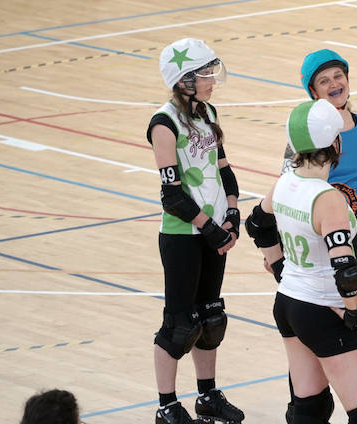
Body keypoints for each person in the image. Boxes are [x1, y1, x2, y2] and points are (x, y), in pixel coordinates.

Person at [244, 98, 357, 424]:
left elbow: (256, 225)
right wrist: (355, 313)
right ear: (334, 143)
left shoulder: (283, 184)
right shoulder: (327, 198)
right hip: (324, 308)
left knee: (309, 409)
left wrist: (281, 268)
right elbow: (347, 272)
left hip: (289, 304)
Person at [281, 48, 357, 385]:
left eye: (339, 76)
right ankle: (308, 399)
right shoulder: (304, 134)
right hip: (322, 230)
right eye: (325, 80)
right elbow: (289, 183)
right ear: (313, 91)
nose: (335, 83)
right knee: (318, 315)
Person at [149, 38, 245, 424]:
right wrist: (209, 228)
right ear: (184, 80)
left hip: (213, 231)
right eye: (205, 74)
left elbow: (222, 168)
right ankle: (167, 404)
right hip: (182, 236)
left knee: (211, 318)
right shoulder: (164, 123)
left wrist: (233, 215)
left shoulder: (207, 112)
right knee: (179, 325)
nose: (212, 80)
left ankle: (207, 396)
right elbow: (171, 194)